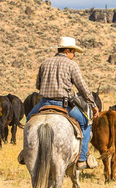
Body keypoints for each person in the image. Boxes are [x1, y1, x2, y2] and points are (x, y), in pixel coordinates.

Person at [28, 36, 98, 170]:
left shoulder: (45, 63)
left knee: (28, 121)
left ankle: (26, 153)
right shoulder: (72, 65)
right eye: (73, 52)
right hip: (63, 104)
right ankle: (82, 158)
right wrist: (93, 105)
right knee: (86, 123)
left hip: (44, 103)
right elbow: (82, 87)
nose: (74, 56)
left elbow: (38, 85)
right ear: (67, 51)